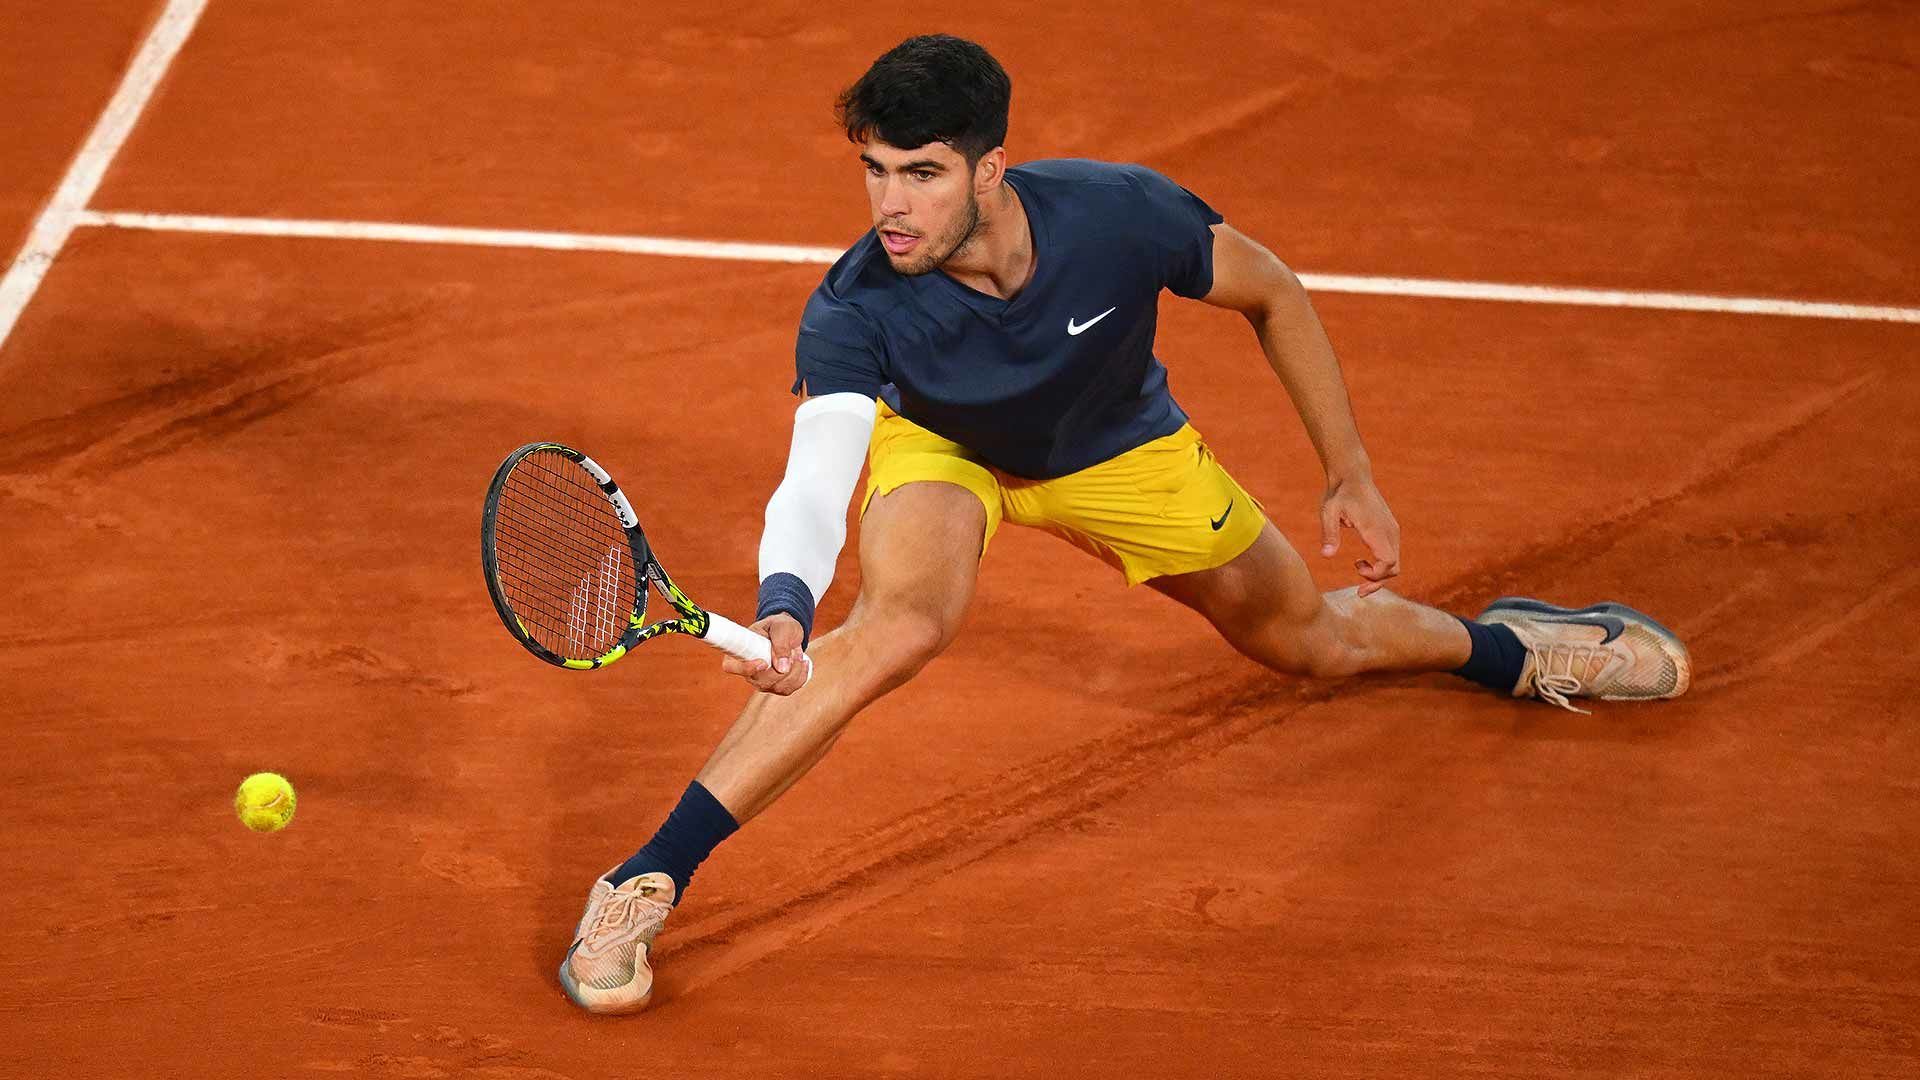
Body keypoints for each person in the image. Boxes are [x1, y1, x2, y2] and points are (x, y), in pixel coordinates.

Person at [558, 33, 1690, 1014]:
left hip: (1118, 448)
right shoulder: (857, 308)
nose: (889, 207)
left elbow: (1273, 292)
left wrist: (1347, 469)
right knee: (896, 627)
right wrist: (784, 605)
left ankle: (1506, 647)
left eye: (922, 174)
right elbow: (816, 477)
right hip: (949, 452)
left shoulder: (1116, 214)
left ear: (990, 168)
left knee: (1314, 644)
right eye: (873, 172)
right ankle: (642, 883)